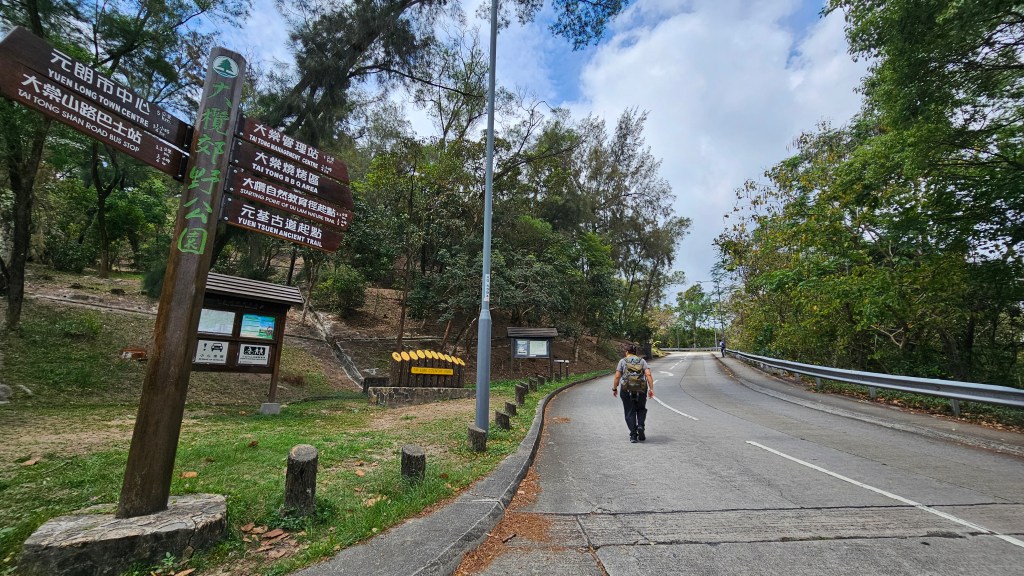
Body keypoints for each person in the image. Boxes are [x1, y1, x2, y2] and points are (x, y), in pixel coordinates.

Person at [612, 344, 654, 443]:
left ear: (627, 352)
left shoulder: (622, 361)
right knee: (641, 409)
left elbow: (617, 376)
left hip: (626, 389)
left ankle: (633, 435)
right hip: (641, 389)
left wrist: (614, 388)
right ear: (635, 352)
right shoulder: (642, 361)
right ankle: (640, 426)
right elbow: (648, 374)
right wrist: (651, 389)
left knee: (629, 411)